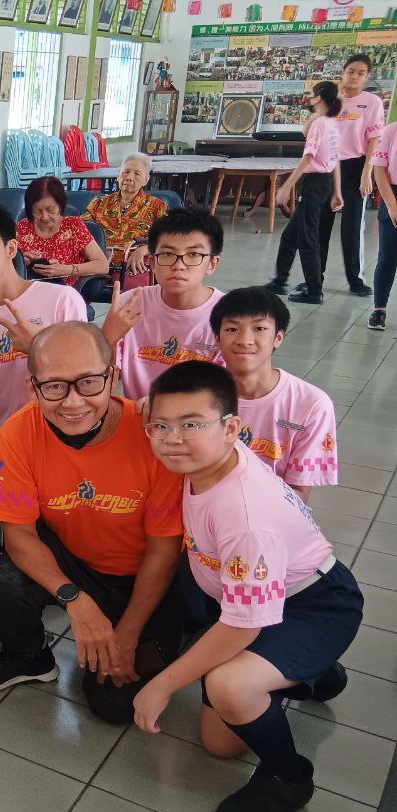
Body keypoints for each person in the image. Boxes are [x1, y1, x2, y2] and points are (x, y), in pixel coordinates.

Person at [137, 361, 359, 812]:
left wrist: (161, 686)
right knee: (220, 744)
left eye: (191, 424)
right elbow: (146, 410)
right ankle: (310, 676)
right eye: (161, 425)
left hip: (314, 605)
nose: (173, 438)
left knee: (231, 688)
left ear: (232, 428)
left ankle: (288, 776)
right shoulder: (208, 456)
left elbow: (242, 625)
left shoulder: (244, 515)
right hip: (257, 596)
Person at [0, 322, 185, 725]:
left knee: (113, 706)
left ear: (113, 377)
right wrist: (74, 600)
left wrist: (127, 634)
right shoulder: (19, 432)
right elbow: (19, 534)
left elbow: (164, 551)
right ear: (33, 387)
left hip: (146, 576)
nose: (73, 402)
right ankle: (28, 656)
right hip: (76, 560)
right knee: (3, 579)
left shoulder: (152, 435)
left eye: (90, 382)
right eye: (55, 386)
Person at [0, 201, 87, 478]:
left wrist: (37, 347)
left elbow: (86, 380)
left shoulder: (61, 299)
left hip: (51, 436)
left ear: (11, 249)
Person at [210, 287, 337, 501]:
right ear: (217, 338)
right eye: (232, 329)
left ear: (278, 337)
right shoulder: (195, 395)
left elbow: (297, 493)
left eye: (259, 328)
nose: (245, 340)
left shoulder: (311, 405)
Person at [101, 208, 225, 402]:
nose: (179, 265)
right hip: (138, 418)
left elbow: (227, 392)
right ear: (151, 262)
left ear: (212, 264)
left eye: (193, 254)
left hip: (197, 423)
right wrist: (107, 337)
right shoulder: (130, 304)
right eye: (167, 254)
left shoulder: (228, 316)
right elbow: (101, 375)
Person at [267, 82, 344, 306]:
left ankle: (314, 290)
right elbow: (334, 158)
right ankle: (279, 281)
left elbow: (308, 157)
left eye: (312, 94)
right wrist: (336, 191)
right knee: (290, 236)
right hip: (326, 182)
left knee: (307, 237)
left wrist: (287, 186)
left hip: (315, 183)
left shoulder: (322, 123)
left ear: (319, 97)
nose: (309, 97)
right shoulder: (329, 122)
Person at [320, 54, 384, 297]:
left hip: (355, 167)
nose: (354, 76)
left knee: (352, 227)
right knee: (320, 226)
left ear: (367, 77)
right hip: (326, 165)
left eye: (360, 73)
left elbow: (374, 138)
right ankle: (315, 278)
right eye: (350, 71)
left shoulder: (372, 102)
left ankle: (355, 280)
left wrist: (367, 172)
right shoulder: (330, 98)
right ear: (343, 72)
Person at [82, 153, 168, 291]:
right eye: (126, 172)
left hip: (132, 261)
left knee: (135, 295)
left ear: (146, 179)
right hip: (98, 260)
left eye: (137, 174)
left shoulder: (157, 206)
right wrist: (97, 250)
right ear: (118, 176)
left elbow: (167, 238)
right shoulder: (99, 203)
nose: (129, 177)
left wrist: (143, 250)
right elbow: (80, 230)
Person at [15, 176, 108, 286]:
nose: (44, 217)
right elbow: (7, 263)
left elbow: (103, 265)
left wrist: (65, 270)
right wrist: (22, 261)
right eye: (38, 211)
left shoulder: (73, 226)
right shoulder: (23, 226)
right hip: (28, 289)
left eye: (50, 210)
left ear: (60, 205)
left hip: (64, 293)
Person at [367, 116, 397, 329]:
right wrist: (393, 206)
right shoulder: (391, 131)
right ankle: (379, 310)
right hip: (392, 196)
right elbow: (379, 169)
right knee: (387, 257)